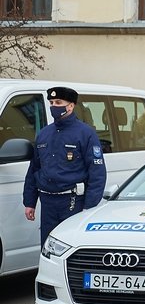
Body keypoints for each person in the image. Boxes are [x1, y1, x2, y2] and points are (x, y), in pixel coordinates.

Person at [23, 86, 107, 246]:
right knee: (48, 247)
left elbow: (97, 173)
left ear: (71, 105)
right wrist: (29, 202)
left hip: (72, 202)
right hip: (47, 201)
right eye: (52, 102)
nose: (54, 106)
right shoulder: (44, 134)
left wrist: (89, 208)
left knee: (71, 246)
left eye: (58, 102)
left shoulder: (86, 133)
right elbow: (34, 169)